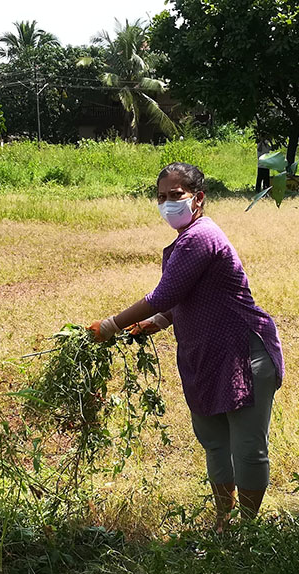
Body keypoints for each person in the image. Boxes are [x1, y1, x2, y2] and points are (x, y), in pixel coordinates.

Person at [86, 162, 284, 532]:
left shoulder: (200, 237)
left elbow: (166, 294)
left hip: (242, 351)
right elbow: (189, 297)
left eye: (175, 196)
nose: (167, 204)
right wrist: (158, 323)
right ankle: (224, 522)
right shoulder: (187, 239)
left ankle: (249, 529)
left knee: (247, 447)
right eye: (161, 198)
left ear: (198, 198)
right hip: (207, 354)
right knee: (213, 440)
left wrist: (111, 326)